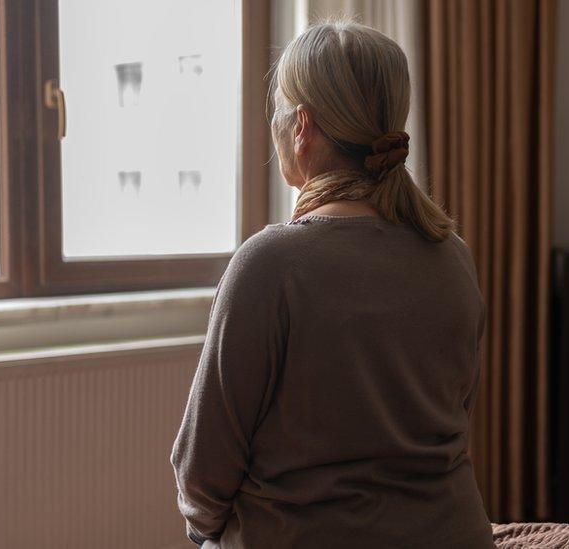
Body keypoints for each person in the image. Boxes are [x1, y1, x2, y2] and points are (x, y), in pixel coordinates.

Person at [171, 20, 493, 548]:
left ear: (301, 125)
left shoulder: (269, 264)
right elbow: (454, 420)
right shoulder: (453, 256)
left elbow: (202, 474)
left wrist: (208, 536)